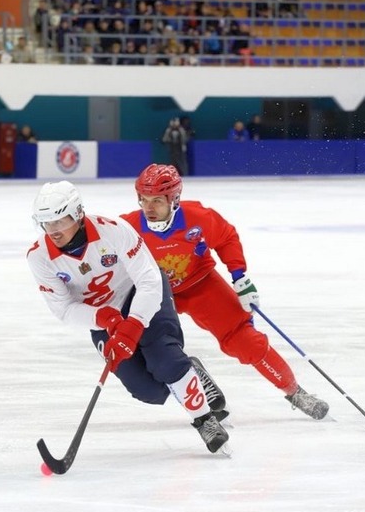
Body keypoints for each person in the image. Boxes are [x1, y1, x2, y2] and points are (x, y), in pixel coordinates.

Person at [26, 181, 230, 455]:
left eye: (59, 221)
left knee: (166, 360)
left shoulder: (113, 231)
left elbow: (148, 280)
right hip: (100, 318)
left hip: (141, 294)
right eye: (46, 223)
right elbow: (63, 309)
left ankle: (205, 420)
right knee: (149, 391)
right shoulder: (39, 256)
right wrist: (105, 319)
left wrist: (133, 323)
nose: (53, 231)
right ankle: (190, 369)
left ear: (77, 214)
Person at [120, 164, 330, 421]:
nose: (148, 208)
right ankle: (191, 374)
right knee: (147, 352)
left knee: (246, 341)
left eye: (156, 201)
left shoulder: (199, 217)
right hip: (155, 294)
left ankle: (294, 392)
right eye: (144, 200)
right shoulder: (127, 228)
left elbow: (227, 237)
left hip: (200, 284)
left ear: (174, 200)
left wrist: (240, 277)